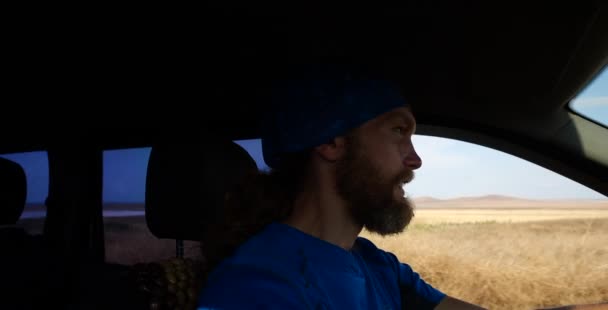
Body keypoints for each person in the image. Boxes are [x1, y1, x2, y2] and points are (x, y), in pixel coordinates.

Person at [196, 65, 608, 310]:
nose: (415, 160)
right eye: (398, 131)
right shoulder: (256, 285)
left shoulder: (373, 263)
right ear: (330, 142)